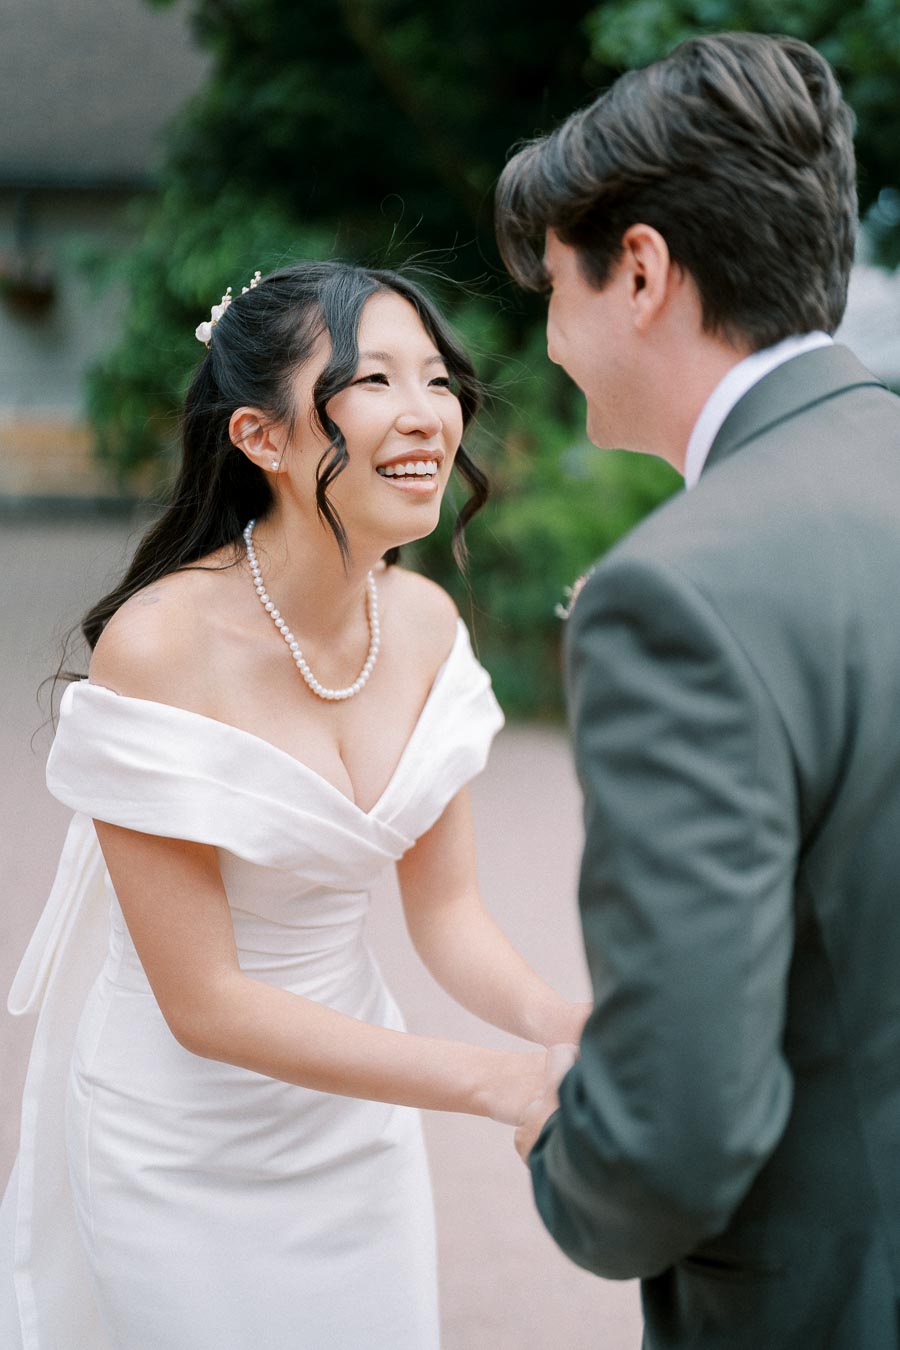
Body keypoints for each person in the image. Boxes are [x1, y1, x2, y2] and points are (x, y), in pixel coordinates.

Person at [0, 260, 586, 1350]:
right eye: (373, 381)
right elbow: (207, 1002)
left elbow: (446, 916)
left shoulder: (423, 626)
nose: (427, 415)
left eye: (437, 379)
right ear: (261, 440)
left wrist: (569, 1028)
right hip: (175, 1139)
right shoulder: (160, 646)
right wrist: (500, 1083)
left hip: (351, 1128)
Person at [495, 30, 900, 1350]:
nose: (548, 342)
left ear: (643, 273)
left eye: (553, 289)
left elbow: (677, 1130)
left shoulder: (675, 593)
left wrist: (567, 1148)